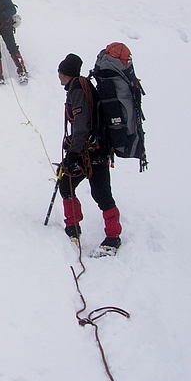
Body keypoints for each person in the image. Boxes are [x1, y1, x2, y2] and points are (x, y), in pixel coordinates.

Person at [57, 53, 122, 254]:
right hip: (94, 149)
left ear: (64, 73)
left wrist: (73, 154)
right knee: (66, 183)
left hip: (93, 151)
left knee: (101, 194)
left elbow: (82, 125)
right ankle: (72, 227)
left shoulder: (78, 90)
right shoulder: (82, 86)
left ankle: (113, 237)